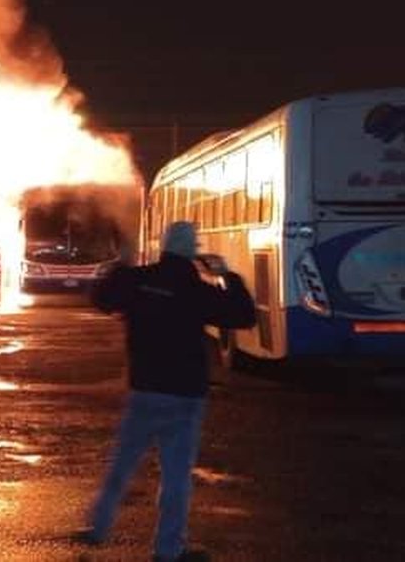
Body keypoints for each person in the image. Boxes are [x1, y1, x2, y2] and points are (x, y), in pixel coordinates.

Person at [81, 221, 256, 562]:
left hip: (144, 391)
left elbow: (100, 298)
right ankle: (167, 549)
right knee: (176, 476)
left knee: (122, 464)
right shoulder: (198, 290)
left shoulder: (139, 280)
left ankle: (97, 528)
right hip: (185, 395)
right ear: (193, 251)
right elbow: (243, 315)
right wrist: (226, 275)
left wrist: (122, 263)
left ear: (163, 246)